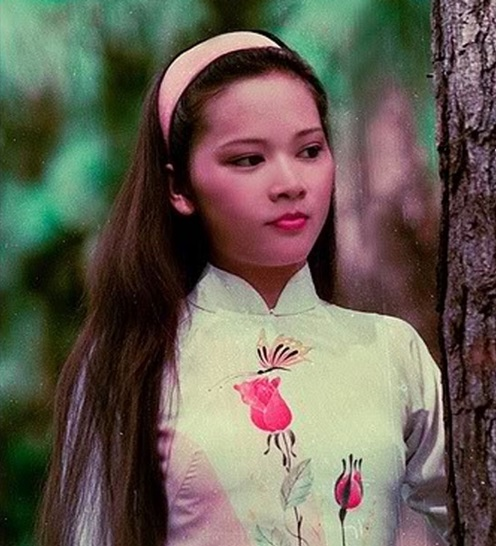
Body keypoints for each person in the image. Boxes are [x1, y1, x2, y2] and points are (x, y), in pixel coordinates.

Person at [38, 31, 448, 546]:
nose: (290, 183)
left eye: (310, 150)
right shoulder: (129, 361)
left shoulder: (392, 352)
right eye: (249, 160)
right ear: (178, 187)